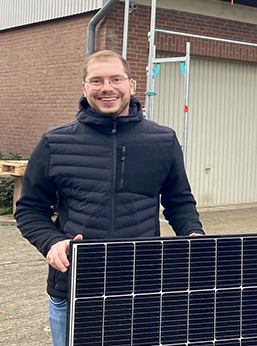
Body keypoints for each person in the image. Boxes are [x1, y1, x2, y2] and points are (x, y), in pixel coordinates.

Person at [15, 50, 204, 346]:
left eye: (115, 79)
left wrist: (193, 233)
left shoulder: (163, 140)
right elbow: (29, 209)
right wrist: (51, 242)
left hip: (143, 289)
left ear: (131, 84)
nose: (107, 88)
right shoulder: (55, 142)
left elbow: (179, 201)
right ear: (84, 88)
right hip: (74, 286)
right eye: (97, 80)